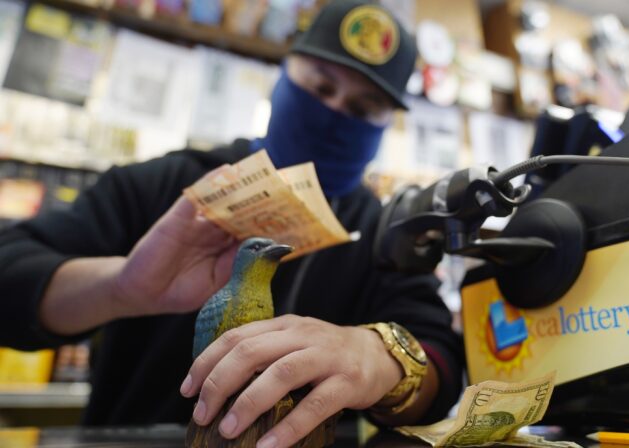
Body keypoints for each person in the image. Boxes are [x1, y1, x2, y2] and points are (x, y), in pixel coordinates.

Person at [0, 1, 464, 447]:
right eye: (321, 88)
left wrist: (376, 357)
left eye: (363, 109)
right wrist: (119, 287)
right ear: (284, 73)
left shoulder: (387, 234)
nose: (335, 113)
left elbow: (440, 359)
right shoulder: (172, 184)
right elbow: (9, 272)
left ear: (386, 122)